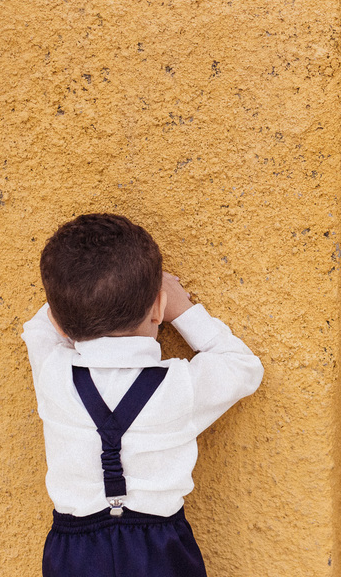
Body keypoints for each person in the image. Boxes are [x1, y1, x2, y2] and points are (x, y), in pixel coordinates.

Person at [22, 212, 264, 576]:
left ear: (60, 320)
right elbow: (244, 366)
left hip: (74, 553)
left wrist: (77, 299)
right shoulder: (179, 386)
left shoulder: (52, 371)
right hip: (159, 549)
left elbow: (43, 325)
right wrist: (181, 310)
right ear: (158, 309)